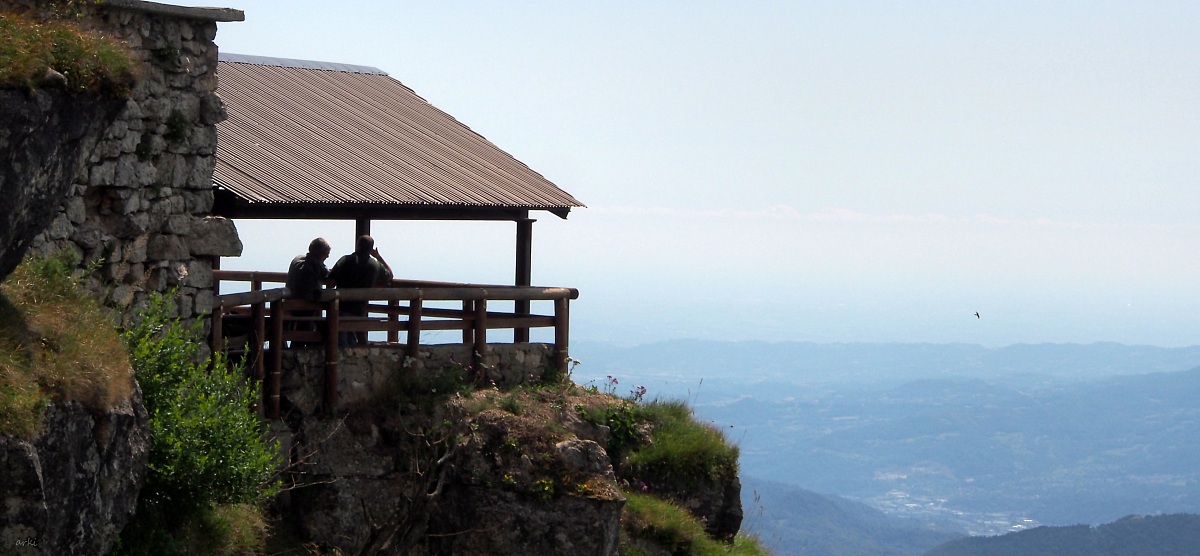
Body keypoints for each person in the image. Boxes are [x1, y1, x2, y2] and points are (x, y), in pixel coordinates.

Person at [329, 235, 393, 345]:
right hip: (360, 309)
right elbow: (390, 275)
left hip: (340, 307)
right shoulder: (375, 266)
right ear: (370, 248)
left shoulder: (345, 260)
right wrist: (378, 256)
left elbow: (330, 282)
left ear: (357, 245)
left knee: (340, 340)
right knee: (358, 337)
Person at [284, 237, 332, 346]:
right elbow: (329, 278)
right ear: (318, 253)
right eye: (326, 253)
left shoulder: (297, 259)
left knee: (302, 330)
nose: (327, 256)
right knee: (317, 328)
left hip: (290, 303)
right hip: (305, 306)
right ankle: (300, 354)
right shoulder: (315, 264)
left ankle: (295, 352)